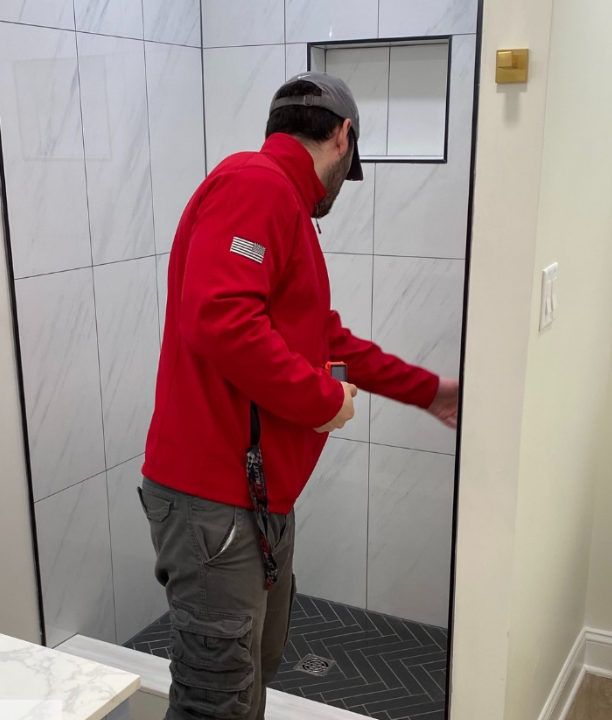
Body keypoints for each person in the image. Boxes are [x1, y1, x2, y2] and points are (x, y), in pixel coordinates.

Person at [138, 72, 460, 720]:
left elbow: (326, 339)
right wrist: (323, 401)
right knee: (216, 702)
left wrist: (427, 391)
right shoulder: (256, 185)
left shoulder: (280, 202)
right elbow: (221, 320)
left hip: (250, 501)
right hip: (213, 503)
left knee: (252, 674)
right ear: (344, 136)